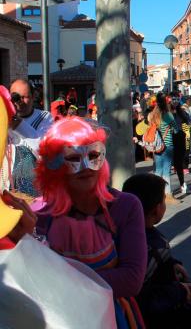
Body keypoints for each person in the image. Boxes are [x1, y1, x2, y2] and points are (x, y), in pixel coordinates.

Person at [34, 117, 147, 328]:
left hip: (111, 318)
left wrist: (61, 283)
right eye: (74, 157)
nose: (86, 166)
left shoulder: (125, 206)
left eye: (93, 155)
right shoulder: (39, 214)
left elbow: (131, 280)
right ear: (55, 165)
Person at [122, 173, 191, 329]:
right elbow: (141, 295)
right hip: (155, 319)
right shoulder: (149, 247)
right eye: (164, 200)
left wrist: (171, 263)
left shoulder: (127, 231)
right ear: (157, 209)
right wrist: (179, 291)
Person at [148, 93, 179, 202]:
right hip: (167, 144)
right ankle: (167, 194)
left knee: (158, 170)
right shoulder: (168, 115)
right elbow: (177, 129)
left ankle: (155, 194)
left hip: (156, 145)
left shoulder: (152, 115)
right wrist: (170, 128)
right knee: (166, 170)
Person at [171, 95, 190, 194]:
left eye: (177, 99)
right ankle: (166, 190)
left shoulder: (181, 111)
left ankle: (182, 184)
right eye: (173, 99)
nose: (175, 101)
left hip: (180, 139)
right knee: (166, 166)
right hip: (169, 140)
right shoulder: (166, 112)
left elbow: (188, 121)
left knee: (178, 164)